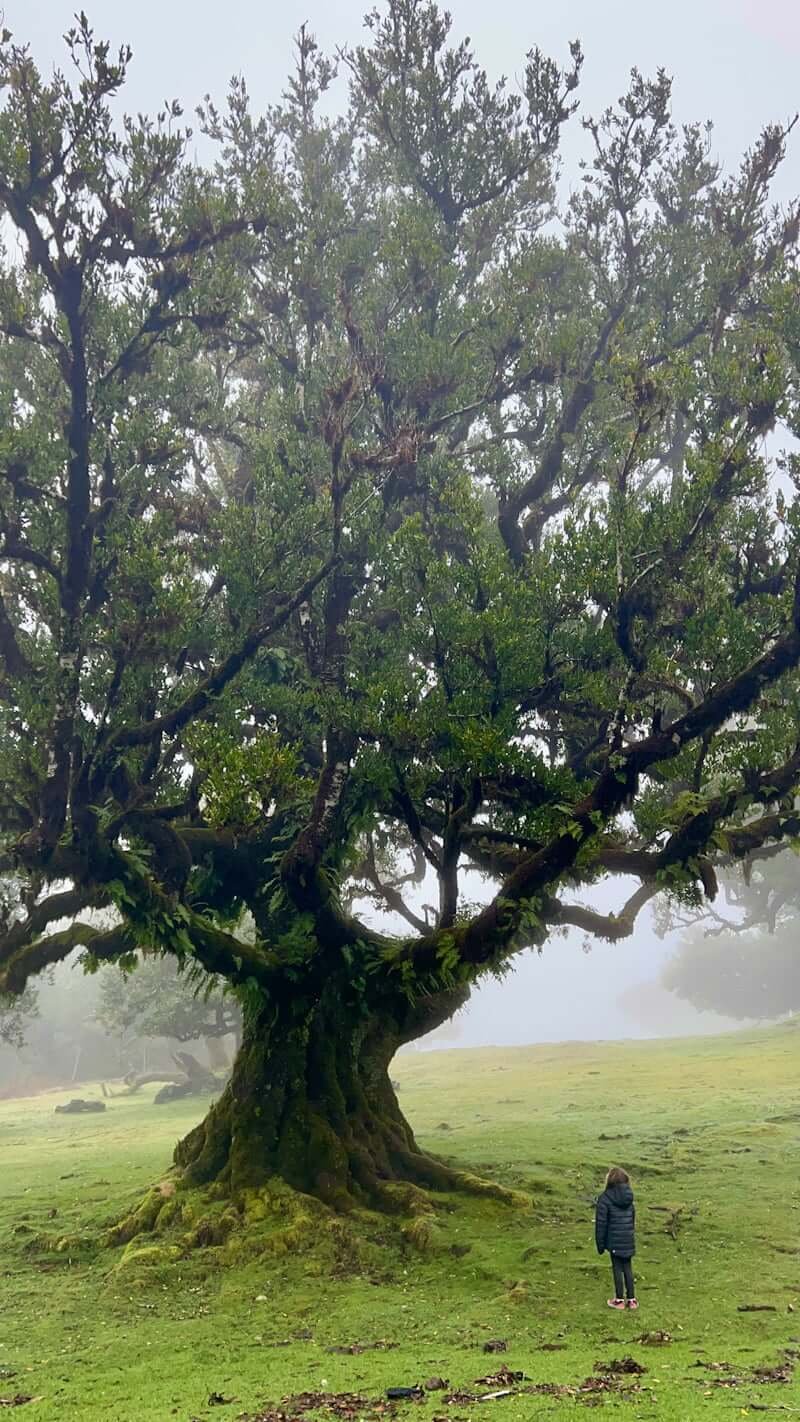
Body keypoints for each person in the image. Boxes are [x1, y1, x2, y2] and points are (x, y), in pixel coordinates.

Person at [595, 1166, 638, 1310]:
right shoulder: (629, 1198)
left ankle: (619, 1300)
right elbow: (632, 1219)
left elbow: (601, 1224)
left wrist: (600, 1245)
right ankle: (632, 1300)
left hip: (614, 1241)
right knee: (628, 1267)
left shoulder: (605, 1199)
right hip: (627, 1239)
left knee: (617, 1268)